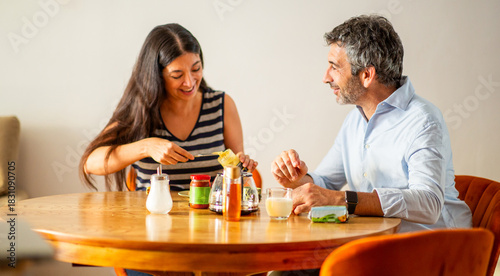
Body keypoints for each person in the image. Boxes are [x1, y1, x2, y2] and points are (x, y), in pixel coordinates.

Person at [271, 15, 472, 233]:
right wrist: (297, 179)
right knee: (292, 268)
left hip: (434, 249)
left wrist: (344, 200)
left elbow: (428, 204)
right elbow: (326, 184)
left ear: (367, 75)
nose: (326, 78)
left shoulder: (423, 120)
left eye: (334, 67)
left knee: (305, 267)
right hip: (375, 244)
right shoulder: (354, 121)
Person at [79, 23, 257, 192]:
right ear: (156, 76)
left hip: (209, 221)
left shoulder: (222, 105)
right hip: (151, 221)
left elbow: (236, 167)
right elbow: (90, 163)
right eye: (177, 75)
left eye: (196, 69)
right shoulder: (141, 110)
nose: (189, 83)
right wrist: (146, 147)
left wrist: (242, 163)